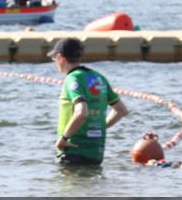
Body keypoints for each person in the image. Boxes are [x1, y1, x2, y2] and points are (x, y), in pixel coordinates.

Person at [49, 37, 129, 166]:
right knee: (91, 179)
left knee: (67, 180)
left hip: (73, 150)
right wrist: (100, 127)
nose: (54, 62)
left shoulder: (72, 78)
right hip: (96, 152)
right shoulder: (98, 77)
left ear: (61, 58)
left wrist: (63, 138)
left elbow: (82, 112)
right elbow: (121, 110)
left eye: (54, 58)